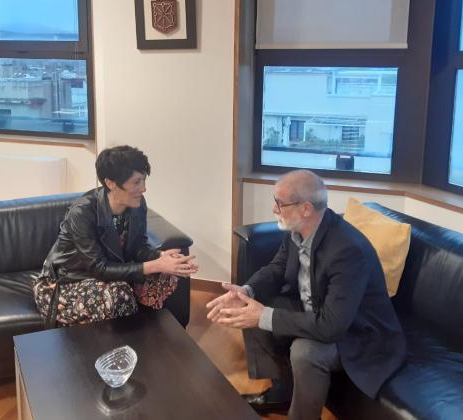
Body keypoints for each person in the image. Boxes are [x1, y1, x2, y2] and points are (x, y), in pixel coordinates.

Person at [207, 170, 406, 419]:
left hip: (356, 333)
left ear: (306, 208)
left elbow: (332, 326)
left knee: (305, 351)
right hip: (314, 309)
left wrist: (264, 316)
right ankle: (282, 390)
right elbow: (277, 268)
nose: (273, 209)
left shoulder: (347, 251)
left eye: (279, 203)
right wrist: (246, 290)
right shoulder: (297, 230)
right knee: (248, 308)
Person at [34, 145, 198, 326]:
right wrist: (154, 264)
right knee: (119, 293)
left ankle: (152, 339)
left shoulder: (136, 204)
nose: (143, 189)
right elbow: (98, 268)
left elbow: (139, 247)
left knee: (167, 275)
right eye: (136, 182)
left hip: (111, 276)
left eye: (143, 180)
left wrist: (161, 257)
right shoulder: (83, 212)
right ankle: (122, 348)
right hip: (65, 283)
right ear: (111, 183)